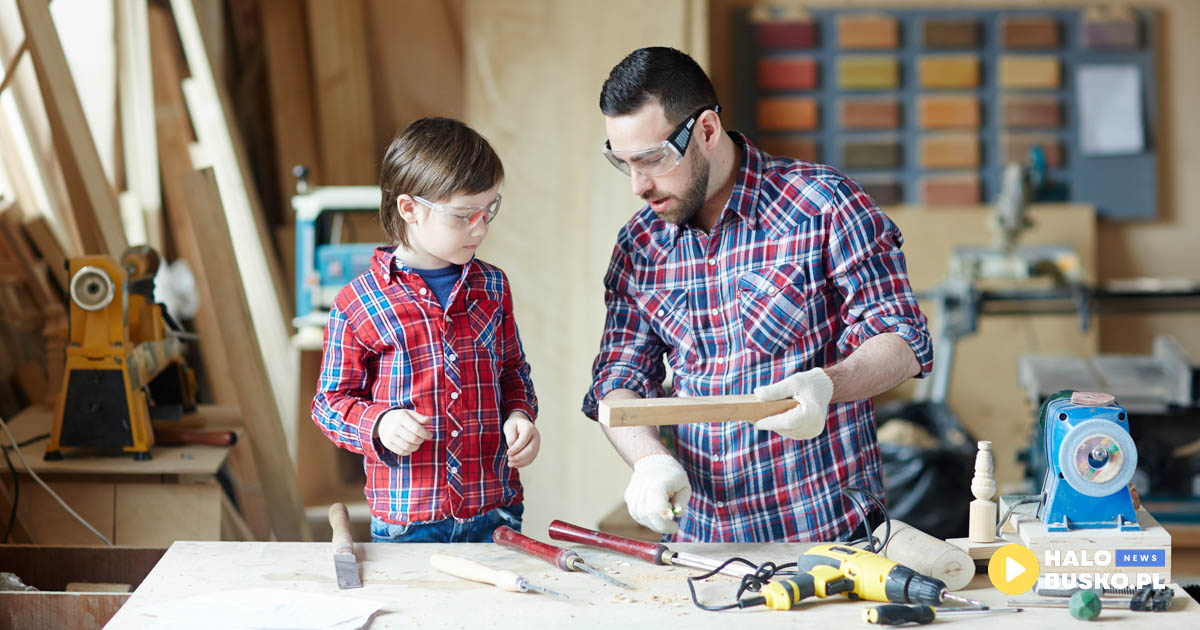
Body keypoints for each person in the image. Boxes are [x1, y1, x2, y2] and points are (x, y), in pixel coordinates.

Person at [582, 47, 933, 542]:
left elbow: (901, 338)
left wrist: (827, 385)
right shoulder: (640, 245)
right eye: (624, 164)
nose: (638, 185)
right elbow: (619, 379)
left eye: (652, 160)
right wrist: (649, 460)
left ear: (706, 130)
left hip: (830, 537)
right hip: (702, 544)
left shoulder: (824, 205)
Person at [313, 117, 539, 543]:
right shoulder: (357, 302)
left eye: (489, 210)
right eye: (464, 215)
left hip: (494, 510)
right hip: (409, 519)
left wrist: (520, 415)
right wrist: (379, 423)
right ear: (409, 209)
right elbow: (329, 404)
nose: (481, 227)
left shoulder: (493, 286)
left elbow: (512, 371)